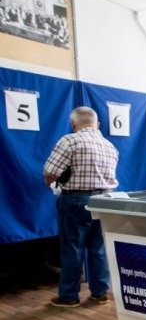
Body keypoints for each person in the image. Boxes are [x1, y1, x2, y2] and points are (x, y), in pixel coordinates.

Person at [43, 106, 119, 308]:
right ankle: (100, 293)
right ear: (98, 124)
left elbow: (49, 171)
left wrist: (53, 185)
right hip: (105, 201)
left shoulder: (69, 140)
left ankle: (69, 296)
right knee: (99, 249)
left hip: (75, 200)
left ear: (73, 124)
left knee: (72, 249)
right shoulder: (110, 146)